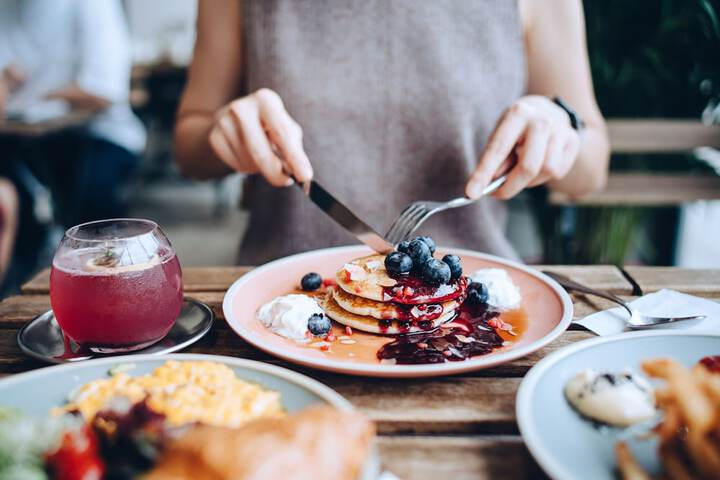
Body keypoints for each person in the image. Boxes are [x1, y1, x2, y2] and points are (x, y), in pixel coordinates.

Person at [176, 0, 610, 264]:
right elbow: (190, 147)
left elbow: (591, 171)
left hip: (474, 316)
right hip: (279, 304)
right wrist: (225, 133)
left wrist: (560, 126)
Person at [0, 0, 146, 227]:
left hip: (101, 135)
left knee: (90, 205)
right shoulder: (8, 9)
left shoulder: (91, 5)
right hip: (27, 140)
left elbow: (103, 92)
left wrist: (37, 97)